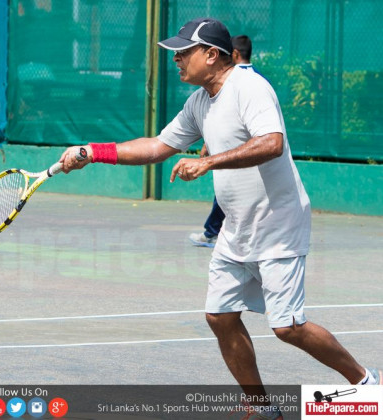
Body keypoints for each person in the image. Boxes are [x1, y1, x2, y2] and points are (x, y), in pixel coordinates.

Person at [59, 17, 380, 420]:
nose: (176, 59)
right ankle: (262, 409)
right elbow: (157, 146)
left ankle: (365, 382)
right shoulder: (200, 101)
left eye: (183, 52)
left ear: (211, 55)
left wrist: (209, 162)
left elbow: (272, 142)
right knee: (220, 316)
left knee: (288, 328)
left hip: (279, 224)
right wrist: (93, 151)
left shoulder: (250, 87)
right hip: (237, 227)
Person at [189, 34, 255, 248]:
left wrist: (208, 147)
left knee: (227, 192)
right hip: (245, 156)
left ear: (233, 54)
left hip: (238, 155)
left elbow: (226, 118)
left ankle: (212, 232)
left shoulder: (236, 82)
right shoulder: (259, 79)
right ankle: (215, 232)